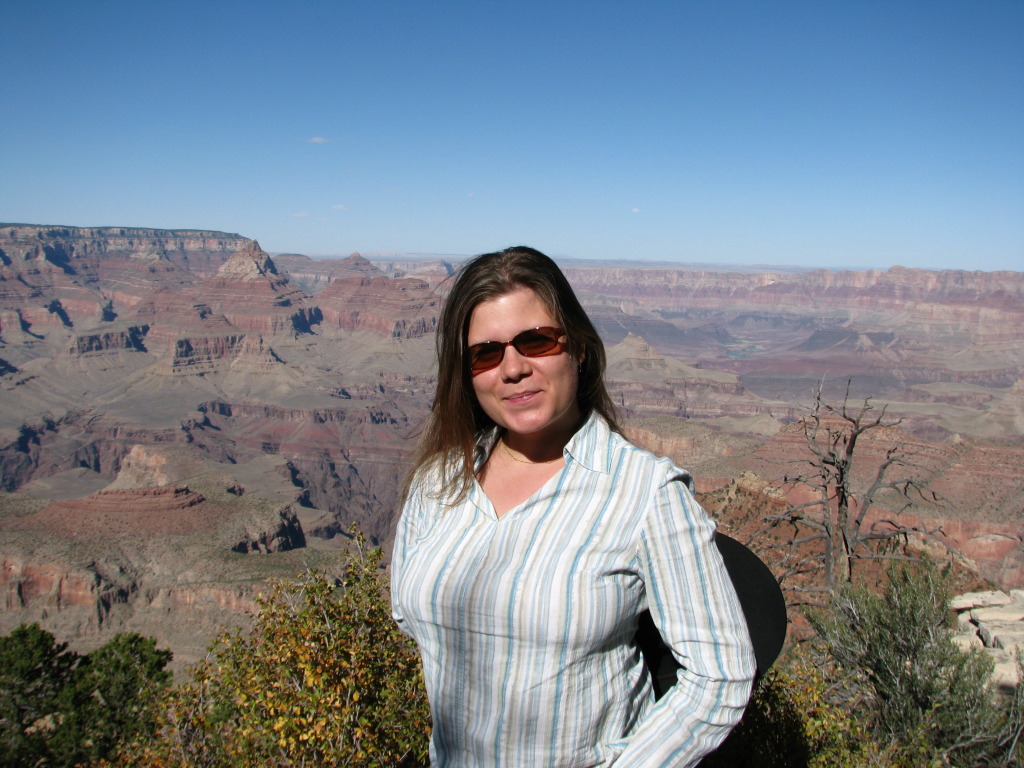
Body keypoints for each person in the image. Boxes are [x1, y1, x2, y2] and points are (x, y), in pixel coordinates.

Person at [391, 246, 755, 767]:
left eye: (536, 341)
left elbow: (720, 676)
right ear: (466, 373)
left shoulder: (644, 492)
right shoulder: (438, 482)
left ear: (579, 348)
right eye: (486, 354)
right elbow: (408, 613)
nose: (512, 369)